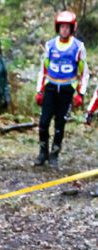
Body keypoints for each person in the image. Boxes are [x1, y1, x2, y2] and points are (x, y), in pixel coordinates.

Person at [34, 10, 89, 168]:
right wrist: (39, 90)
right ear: (57, 27)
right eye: (62, 27)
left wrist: (80, 93)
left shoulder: (78, 47)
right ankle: (42, 152)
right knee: (43, 122)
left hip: (66, 90)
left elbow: (84, 73)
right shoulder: (50, 45)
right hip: (50, 88)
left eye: (67, 27)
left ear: (72, 28)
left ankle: (54, 154)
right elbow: (43, 69)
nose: (64, 30)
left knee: (60, 124)